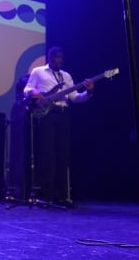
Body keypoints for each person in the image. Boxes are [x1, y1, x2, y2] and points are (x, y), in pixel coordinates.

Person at [23, 46, 94, 207]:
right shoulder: (38, 71)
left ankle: (61, 195)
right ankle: (46, 194)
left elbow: (75, 98)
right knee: (47, 153)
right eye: (56, 57)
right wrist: (34, 92)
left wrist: (88, 93)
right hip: (47, 113)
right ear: (49, 57)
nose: (59, 60)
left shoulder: (67, 76)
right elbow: (27, 89)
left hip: (63, 114)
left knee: (63, 153)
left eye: (61, 58)